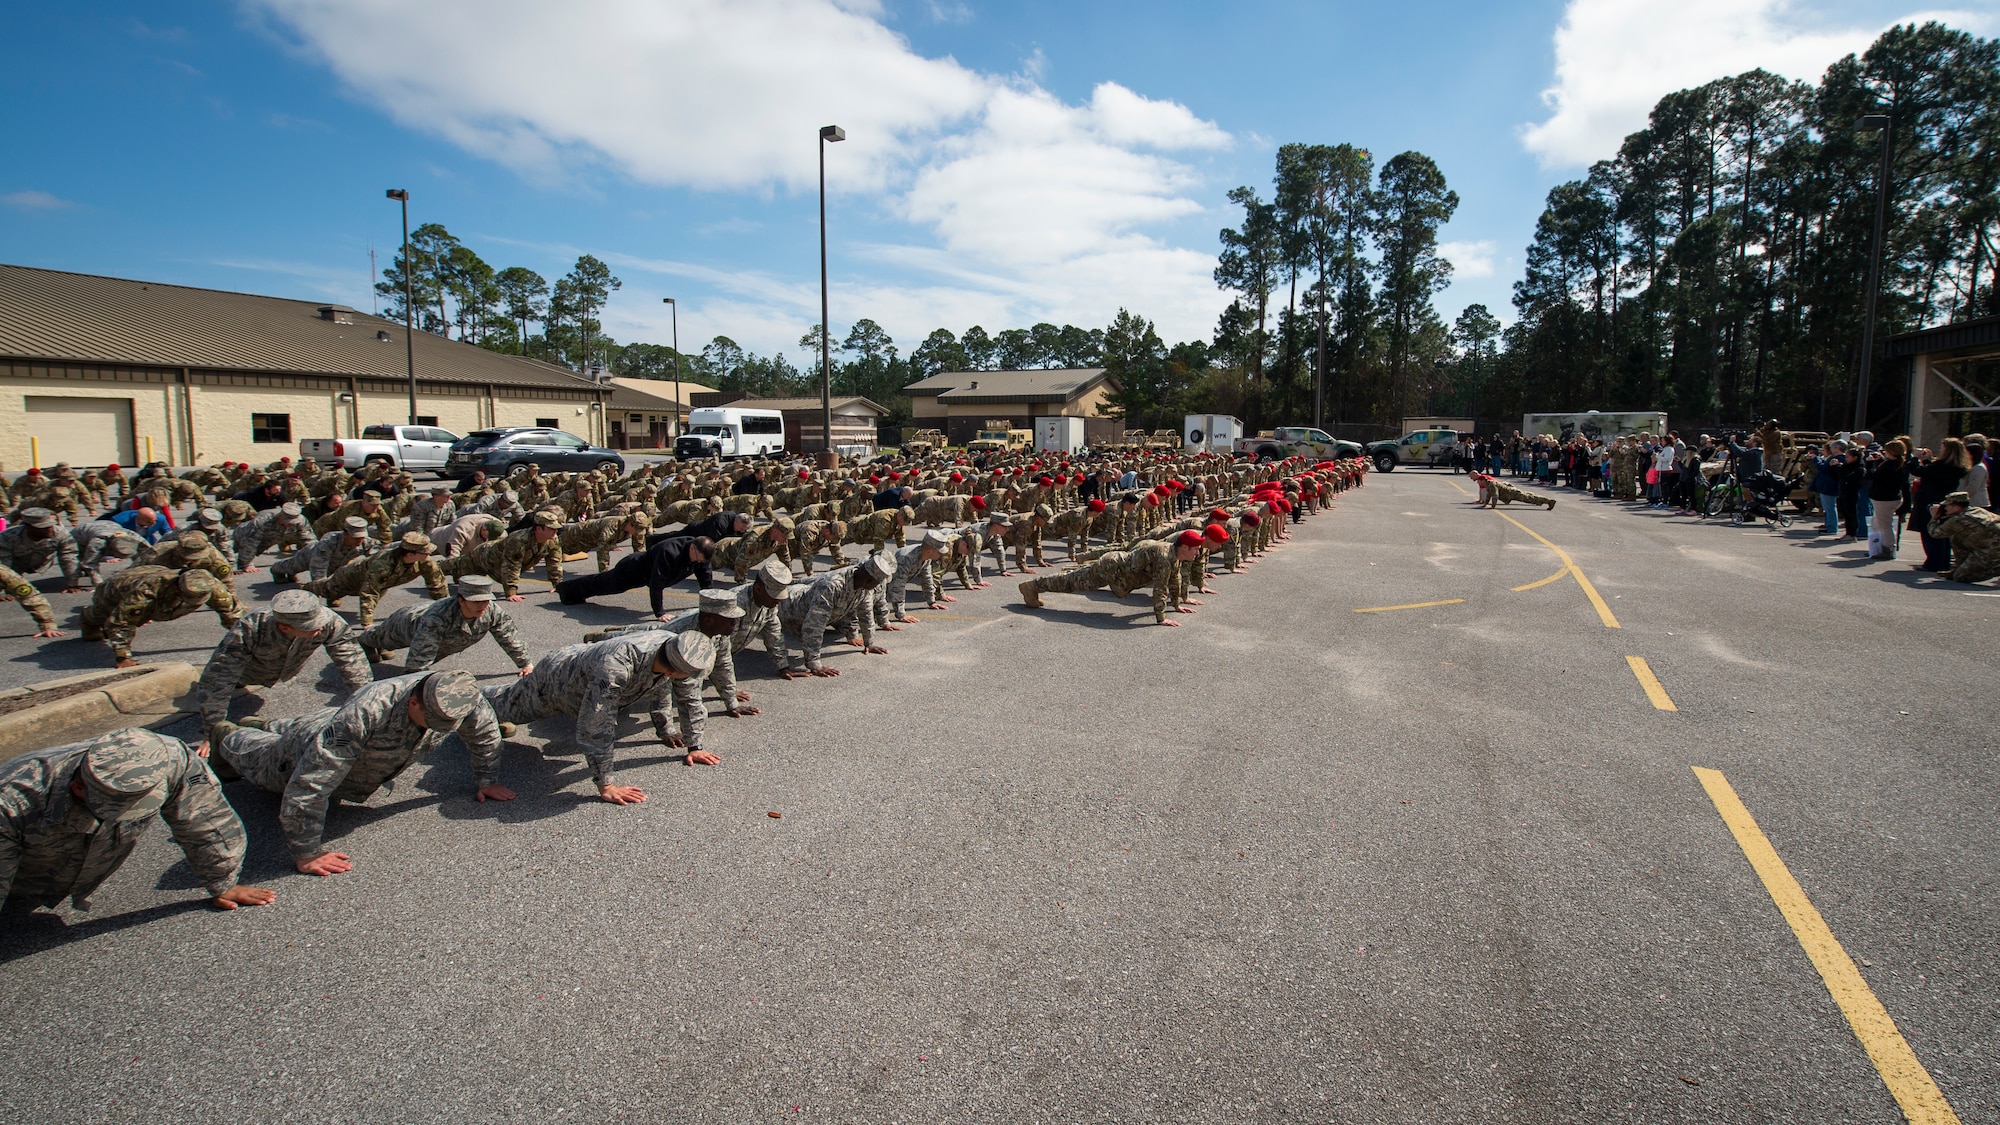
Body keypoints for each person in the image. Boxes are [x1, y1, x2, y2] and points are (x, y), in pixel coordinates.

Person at [211, 670, 508, 876]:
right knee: (263, 761)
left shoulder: (458, 693)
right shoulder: (365, 714)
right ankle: (228, 735)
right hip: (302, 749)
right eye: (433, 721)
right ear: (414, 702)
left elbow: (484, 733)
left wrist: (487, 780)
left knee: (308, 727)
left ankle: (264, 725)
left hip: (333, 724)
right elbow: (310, 784)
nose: (438, 728)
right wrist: (306, 853)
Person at [0, 728, 274, 915]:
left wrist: (223, 881)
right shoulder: (13, 799)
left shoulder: (169, 760)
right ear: (79, 789)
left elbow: (204, 819)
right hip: (19, 877)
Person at [482, 630, 717, 804]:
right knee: (505, 704)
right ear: (671, 671)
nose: (691, 679)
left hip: (588, 675)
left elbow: (690, 700)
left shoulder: (679, 650)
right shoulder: (617, 666)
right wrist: (606, 785)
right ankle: (467, 698)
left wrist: (694, 745)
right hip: (557, 682)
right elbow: (596, 723)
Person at [195, 588, 373, 728]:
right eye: (312, 627)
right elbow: (220, 676)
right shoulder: (250, 628)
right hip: (249, 671)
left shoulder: (330, 622)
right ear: (285, 628)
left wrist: (367, 705)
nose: (320, 628)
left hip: (285, 669)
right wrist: (212, 729)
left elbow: (352, 662)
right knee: (229, 682)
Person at [354, 575, 531, 675]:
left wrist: (525, 664)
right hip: (407, 622)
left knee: (388, 647)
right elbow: (418, 661)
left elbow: (508, 637)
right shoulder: (437, 618)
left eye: (485, 600)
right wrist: (417, 688)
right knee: (381, 638)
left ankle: (380, 647)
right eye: (476, 601)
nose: (482, 605)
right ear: (461, 601)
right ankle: (362, 642)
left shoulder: (492, 610)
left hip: (442, 640)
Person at [1017, 531, 1200, 626]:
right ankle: (1032, 586)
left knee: (1073, 578)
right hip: (1111, 569)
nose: (1198, 553)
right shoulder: (1164, 557)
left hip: (1116, 569)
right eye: (1195, 549)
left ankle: (1034, 586)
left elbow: (1174, 579)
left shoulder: (1174, 555)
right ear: (1184, 547)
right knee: (1070, 582)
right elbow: (1160, 588)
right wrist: (1161, 618)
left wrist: (1176, 604)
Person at [78, 566, 239, 668]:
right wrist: (123, 657)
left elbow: (234, 615)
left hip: (157, 579)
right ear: (178, 589)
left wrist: (246, 643)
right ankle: (87, 620)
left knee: (142, 614)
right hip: (117, 586)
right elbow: (122, 622)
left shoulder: (211, 587)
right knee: (101, 615)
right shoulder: (146, 591)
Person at [303, 531, 448, 626]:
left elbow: (437, 583)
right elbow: (369, 592)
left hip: (379, 584)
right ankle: (305, 590)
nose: (429, 554)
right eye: (425, 551)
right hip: (349, 578)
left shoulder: (425, 561)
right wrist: (367, 623)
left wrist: (446, 609)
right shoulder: (383, 564)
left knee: (378, 590)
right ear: (410, 554)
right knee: (328, 590)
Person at [556, 533, 713, 616]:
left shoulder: (701, 554)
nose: (698, 563)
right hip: (633, 569)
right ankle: (566, 590)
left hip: (646, 573)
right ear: (692, 548)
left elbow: (705, 579)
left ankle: (569, 591)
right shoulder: (670, 551)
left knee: (602, 584)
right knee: (603, 585)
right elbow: (656, 583)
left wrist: (710, 603)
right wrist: (659, 613)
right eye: (698, 559)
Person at [1909, 437, 1972, 572]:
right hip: (1945, 500)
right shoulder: (1956, 466)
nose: (1940, 449)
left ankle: (1933, 562)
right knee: (1944, 532)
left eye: (1942, 447)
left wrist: (1914, 458)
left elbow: (1918, 471)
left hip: (1931, 499)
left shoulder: (1942, 466)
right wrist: (1927, 460)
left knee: (1931, 532)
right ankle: (1942, 562)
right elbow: (1930, 472)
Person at [1927, 491, 2000, 584]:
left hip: (1990, 552)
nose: (1945, 508)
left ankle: (1996, 569)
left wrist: (1934, 517)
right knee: (1956, 536)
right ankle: (1959, 567)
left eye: (1947, 505)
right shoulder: (1977, 510)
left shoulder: (1957, 520)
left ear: (1956, 507)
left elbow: (1935, 533)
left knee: (1961, 577)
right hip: (1988, 546)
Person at [1863, 440, 1911, 558]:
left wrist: (1869, 464)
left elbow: (1874, 476)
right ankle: (1877, 546)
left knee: (1885, 525)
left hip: (1884, 499)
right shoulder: (1900, 464)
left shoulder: (1890, 465)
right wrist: (1880, 461)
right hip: (1892, 497)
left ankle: (1888, 548)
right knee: (1878, 523)